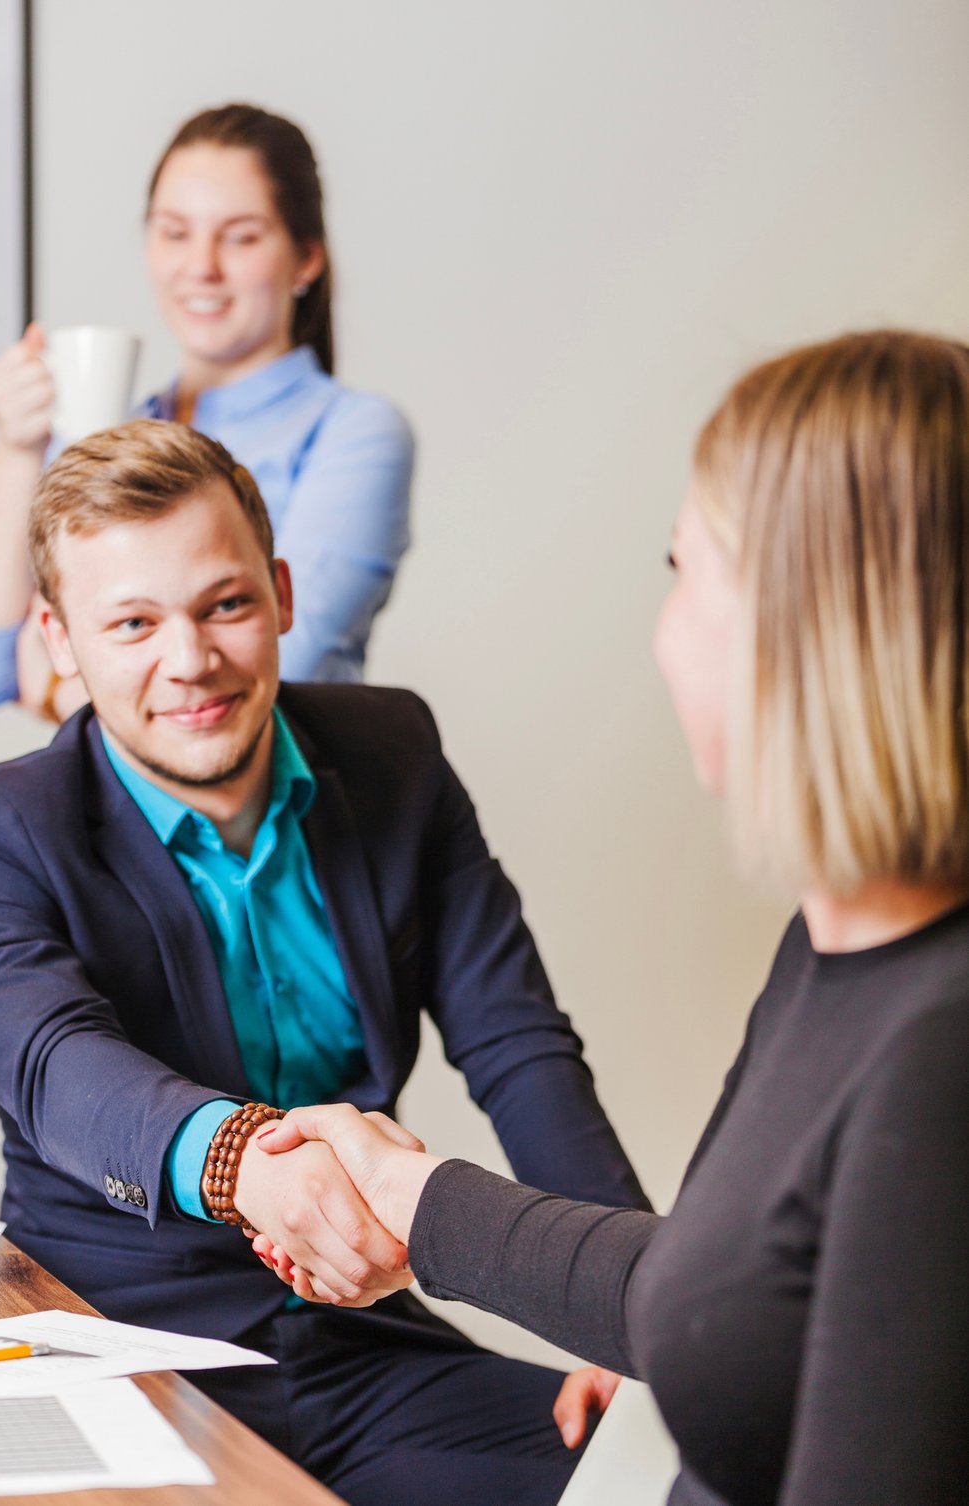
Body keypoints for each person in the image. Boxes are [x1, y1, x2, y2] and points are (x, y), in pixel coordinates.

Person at [249, 330, 969, 1506]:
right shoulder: (833, 947)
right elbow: (723, 1283)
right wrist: (411, 1198)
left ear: (812, 631)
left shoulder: (938, 1053)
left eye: (685, 572)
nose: (663, 630)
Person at [0, 418, 648, 1506]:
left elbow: (515, 1041)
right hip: (121, 1348)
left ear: (282, 593)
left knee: (673, 1476)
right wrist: (243, 1161)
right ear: (59, 639)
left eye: (224, 604)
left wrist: (625, 1305)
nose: (190, 662)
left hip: (361, 1347)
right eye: (130, 623)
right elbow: (56, 1067)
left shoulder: (394, 751)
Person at [0, 102, 413, 720]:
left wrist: (57, 691)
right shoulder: (106, 438)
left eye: (240, 236)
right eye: (174, 232)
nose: (201, 267)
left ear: (305, 258)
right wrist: (19, 448)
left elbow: (267, 672)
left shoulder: (354, 434)